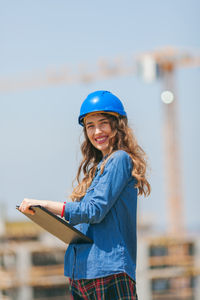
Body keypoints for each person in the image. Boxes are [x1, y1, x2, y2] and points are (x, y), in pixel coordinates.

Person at [19, 90, 151, 300]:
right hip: (81, 272)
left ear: (118, 125)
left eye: (103, 123)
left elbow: (93, 211)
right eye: (90, 126)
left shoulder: (119, 159)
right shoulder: (97, 170)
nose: (97, 131)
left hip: (108, 272)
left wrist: (43, 204)